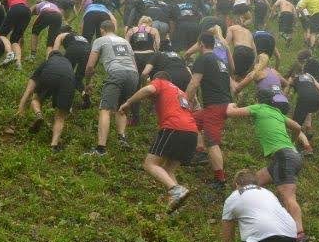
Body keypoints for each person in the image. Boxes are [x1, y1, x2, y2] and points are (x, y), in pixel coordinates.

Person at [226, 99, 311, 242]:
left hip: (283, 157)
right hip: (291, 156)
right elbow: (298, 127)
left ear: (260, 99)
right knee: (254, 181)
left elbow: (230, 112)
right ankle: (241, 204)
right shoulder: (277, 112)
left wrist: (230, 104)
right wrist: (292, 140)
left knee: (288, 197)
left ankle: (299, 234)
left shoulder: (258, 108)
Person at [118, 71, 198, 210]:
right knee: (168, 170)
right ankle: (177, 205)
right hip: (191, 132)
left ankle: (176, 190)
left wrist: (128, 102)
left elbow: (149, 89)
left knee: (150, 164)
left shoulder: (160, 82)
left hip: (174, 128)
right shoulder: (180, 92)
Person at [81, 18, 139, 156]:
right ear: (114, 29)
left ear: (102, 30)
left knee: (105, 109)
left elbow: (90, 66)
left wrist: (87, 82)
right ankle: (122, 139)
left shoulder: (100, 40)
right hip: (133, 74)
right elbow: (134, 64)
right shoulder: (125, 42)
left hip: (116, 73)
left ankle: (101, 149)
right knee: (122, 108)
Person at [187, 32, 234, 187]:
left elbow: (194, 84)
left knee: (211, 141)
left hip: (214, 106)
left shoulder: (203, 59)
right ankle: (199, 153)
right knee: (190, 122)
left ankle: (220, 179)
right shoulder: (221, 61)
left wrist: (186, 102)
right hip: (221, 103)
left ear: (201, 44)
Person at [17, 49, 76, 149]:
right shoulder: (68, 63)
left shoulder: (47, 62)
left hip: (49, 75)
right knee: (60, 116)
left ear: (50, 56)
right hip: (69, 80)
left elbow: (29, 89)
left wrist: (20, 108)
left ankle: (39, 115)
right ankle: (54, 144)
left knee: (36, 99)